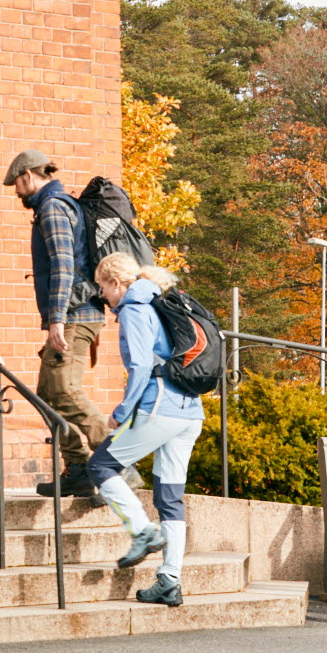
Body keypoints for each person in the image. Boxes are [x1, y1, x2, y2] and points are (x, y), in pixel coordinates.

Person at [83, 250, 201, 607]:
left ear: (116, 282)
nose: (103, 295)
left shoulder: (134, 309)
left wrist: (123, 411)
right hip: (190, 412)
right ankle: (169, 581)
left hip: (158, 409)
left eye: (103, 287)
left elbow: (139, 366)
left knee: (100, 465)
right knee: (169, 497)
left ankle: (142, 531)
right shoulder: (159, 300)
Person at [3, 148, 104, 496]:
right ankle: (78, 468)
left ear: (28, 175)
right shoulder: (57, 205)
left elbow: (63, 265)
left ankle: (118, 458)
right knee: (48, 393)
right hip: (74, 314)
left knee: (65, 391)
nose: (17, 192)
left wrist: (56, 320)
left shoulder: (52, 208)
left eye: (16, 184)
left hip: (74, 315)